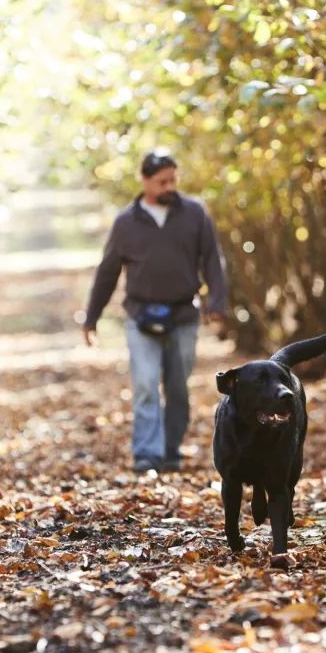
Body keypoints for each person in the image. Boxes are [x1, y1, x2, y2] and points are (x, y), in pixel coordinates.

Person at [82, 150, 228, 473]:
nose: (169, 187)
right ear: (145, 180)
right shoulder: (126, 222)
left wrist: (217, 302)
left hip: (183, 316)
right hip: (140, 316)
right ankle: (146, 454)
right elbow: (108, 272)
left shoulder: (194, 213)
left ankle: (171, 451)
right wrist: (92, 317)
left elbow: (212, 261)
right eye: (161, 181)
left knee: (177, 386)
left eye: (173, 180)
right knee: (147, 383)